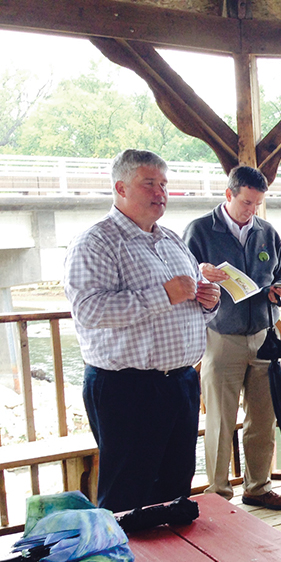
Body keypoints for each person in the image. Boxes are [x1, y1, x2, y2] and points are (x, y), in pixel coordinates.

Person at [64, 149, 221, 512]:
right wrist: (163, 295)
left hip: (180, 382)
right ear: (120, 187)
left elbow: (196, 310)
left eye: (163, 184)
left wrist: (209, 303)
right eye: (149, 183)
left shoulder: (171, 240)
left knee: (175, 488)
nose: (160, 193)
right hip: (126, 387)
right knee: (128, 494)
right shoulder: (96, 243)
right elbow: (89, 310)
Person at [184, 165, 281, 511]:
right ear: (229, 194)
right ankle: (217, 494)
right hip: (221, 336)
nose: (252, 210)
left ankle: (258, 487)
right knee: (219, 417)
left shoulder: (267, 232)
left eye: (257, 204)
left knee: (263, 417)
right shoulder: (199, 230)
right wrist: (198, 272)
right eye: (247, 202)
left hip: (263, 335)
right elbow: (179, 274)